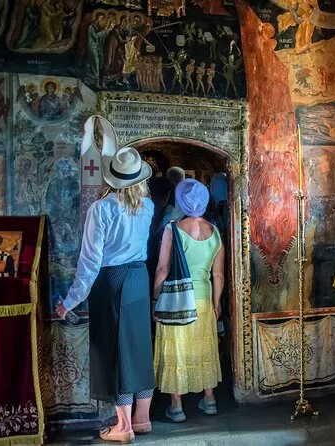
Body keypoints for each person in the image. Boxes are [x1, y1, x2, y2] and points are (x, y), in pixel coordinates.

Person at [55, 146, 154, 443]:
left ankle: (123, 427)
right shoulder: (148, 206)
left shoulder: (101, 208)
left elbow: (90, 260)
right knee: (138, 348)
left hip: (112, 281)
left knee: (116, 352)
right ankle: (142, 418)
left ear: (112, 178)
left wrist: (70, 301)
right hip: (139, 278)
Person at [153, 179, 225, 422]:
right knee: (204, 349)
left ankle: (176, 407)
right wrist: (216, 303)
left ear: (181, 202)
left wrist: (155, 298)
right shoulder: (214, 232)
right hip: (204, 299)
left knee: (177, 350)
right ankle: (210, 399)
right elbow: (218, 274)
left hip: (177, 300)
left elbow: (163, 268)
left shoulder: (172, 229)